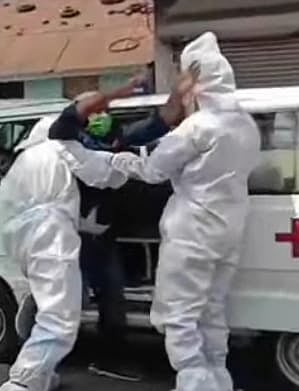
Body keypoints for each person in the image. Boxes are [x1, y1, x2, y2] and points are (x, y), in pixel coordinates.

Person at [106, 32, 260, 391]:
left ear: (196, 81)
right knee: (211, 313)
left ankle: (195, 384)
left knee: (179, 316)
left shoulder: (199, 126)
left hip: (193, 232)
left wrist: (120, 160)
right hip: (230, 230)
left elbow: (155, 169)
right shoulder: (246, 125)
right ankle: (218, 380)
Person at [49, 77, 193, 382]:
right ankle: (44, 362)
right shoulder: (63, 138)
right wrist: (121, 91)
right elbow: (80, 110)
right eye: (95, 112)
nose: (101, 116)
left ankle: (108, 359)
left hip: (101, 238)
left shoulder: (120, 141)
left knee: (111, 299)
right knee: (62, 303)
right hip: (69, 238)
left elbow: (163, 119)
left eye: (104, 111)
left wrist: (182, 90)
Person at [0, 108, 130, 391]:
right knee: (60, 319)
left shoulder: (25, 160)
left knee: (50, 306)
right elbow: (107, 175)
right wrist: (135, 160)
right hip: (52, 237)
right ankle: (22, 383)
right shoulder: (61, 151)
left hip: (24, 239)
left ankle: (42, 376)